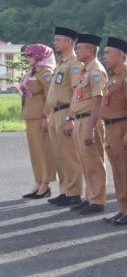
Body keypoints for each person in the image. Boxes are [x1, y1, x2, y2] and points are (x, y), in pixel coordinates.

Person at [66, 33, 108, 215]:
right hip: (80, 120)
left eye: (79, 47)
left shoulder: (96, 71)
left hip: (90, 120)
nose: (76, 51)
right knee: (85, 162)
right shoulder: (85, 70)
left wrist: (91, 128)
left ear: (90, 50)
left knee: (94, 162)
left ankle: (97, 201)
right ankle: (90, 196)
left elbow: (98, 101)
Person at [101, 37, 127, 225]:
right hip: (109, 127)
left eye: (109, 52)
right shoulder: (114, 76)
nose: (105, 56)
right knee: (118, 172)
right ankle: (122, 208)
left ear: (121, 55)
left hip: (121, 126)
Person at [45, 27, 84, 207]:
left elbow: (77, 91)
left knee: (69, 155)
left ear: (69, 42)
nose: (55, 42)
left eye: (58, 39)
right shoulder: (61, 63)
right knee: (59, 155)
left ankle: (74, 192)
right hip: (55, 113)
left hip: (66, 111)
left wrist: (71, 117)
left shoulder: (74, 63)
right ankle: (64, 191)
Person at [19, 44, 58, 199]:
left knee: (44, 151)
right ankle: (38, 181)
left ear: (40, 56)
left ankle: (45, 184)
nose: (28, 58)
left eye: (31, 55)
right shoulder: (32, 71)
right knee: (35, 152)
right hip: (30, 115)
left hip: (40, 116)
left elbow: (50, 95)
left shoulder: (45, 72)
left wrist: (45, 116)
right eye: (27, 56)